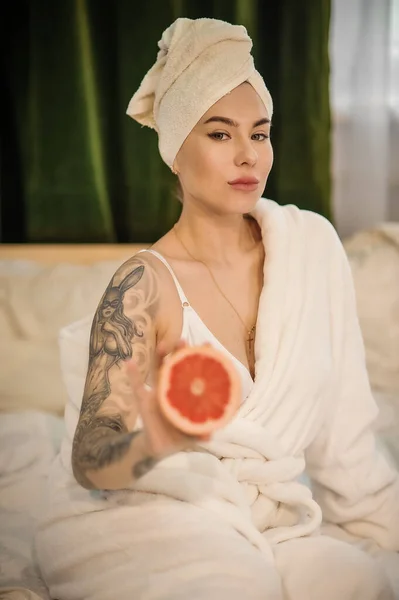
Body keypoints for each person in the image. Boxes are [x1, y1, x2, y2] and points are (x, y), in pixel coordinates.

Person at [35, 17, 399, 600]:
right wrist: (166, 428)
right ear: (176, 149)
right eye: (221, 134)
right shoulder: (141, 286)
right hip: (149, 507)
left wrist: (385, 533)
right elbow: (93, 461)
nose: (248, 156)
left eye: (260, 133)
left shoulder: (311, 248)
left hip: (268, 519)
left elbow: (347, 435)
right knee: (237, 586)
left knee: (356, 580)